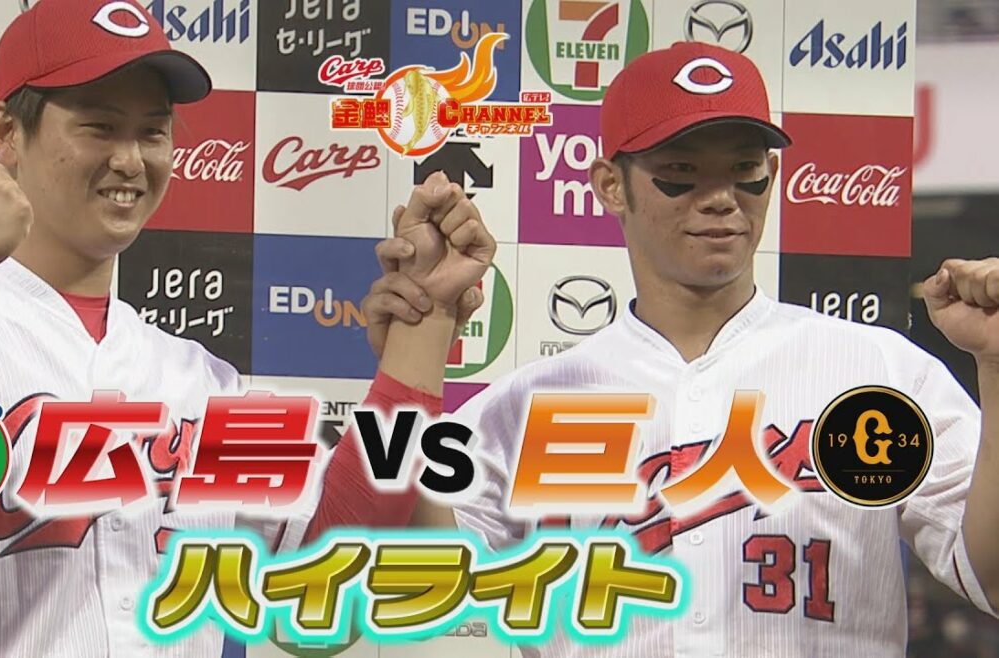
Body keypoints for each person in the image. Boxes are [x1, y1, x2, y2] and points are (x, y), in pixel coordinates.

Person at [0, 0, 490, 655]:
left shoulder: (200, 381)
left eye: (152, 131)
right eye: (99, 126)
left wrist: (423, 331)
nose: (130, 160)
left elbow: (323, 599)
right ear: (6, 132)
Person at [308, 41, 999, 657]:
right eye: (680, 172)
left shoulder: (879, 371)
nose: (721, 198)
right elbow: (369, 578)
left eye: (746, 171)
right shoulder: (524, 406)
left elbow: (991, 579)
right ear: (612, 185)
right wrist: (420, 342)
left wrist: (996, 366)